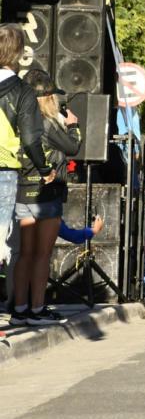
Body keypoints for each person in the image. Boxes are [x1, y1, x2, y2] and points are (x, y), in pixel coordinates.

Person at [8, 70, 79, 324]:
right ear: (48, 98)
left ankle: (19, 309)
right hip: (46, 194)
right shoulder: (46, 123)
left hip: (22, 191)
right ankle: (37, 309)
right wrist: (73, 126)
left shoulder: (17, 119)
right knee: (42, 255)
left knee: (24, 254)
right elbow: (73, 147)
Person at [0, 24, 54, 280]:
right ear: (19, 53)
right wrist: (45, 168)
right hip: (4, 172)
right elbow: (31, 140)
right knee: (3, 241)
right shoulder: (22, 91)